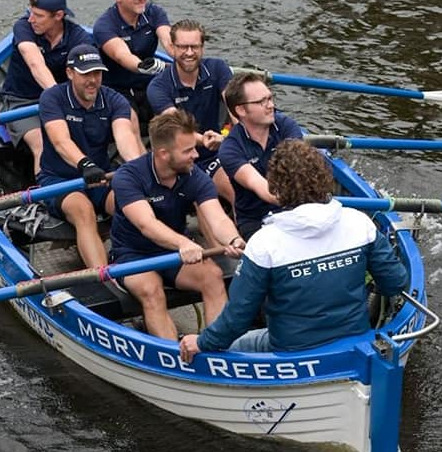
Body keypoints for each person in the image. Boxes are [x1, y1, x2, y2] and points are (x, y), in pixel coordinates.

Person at [179, 139, 408, 360]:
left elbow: (237, 318)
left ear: (276, 189)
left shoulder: (264, 243)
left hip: (290, 349)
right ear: (324, 179)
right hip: (355, 340)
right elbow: (396, 282)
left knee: (223, 347)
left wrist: (202, 343)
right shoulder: (360, 223)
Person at [109, 110, 245, 340]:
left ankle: (217, 350)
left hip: (173, 253)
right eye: (188, 150)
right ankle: (172, 357)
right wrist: (183, 243)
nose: (195, 154)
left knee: (213, 275)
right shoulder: (128, 177)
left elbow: (218, 218)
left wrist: (234, 239)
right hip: (133, 256)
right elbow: (147, 225)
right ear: (163, 153)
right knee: (152, 292)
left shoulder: (193, 174)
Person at [37, 44, 142, 269]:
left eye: (97, 73)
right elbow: (60, 141)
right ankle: (104, 277)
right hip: (60, 180)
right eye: (86, 74)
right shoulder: (52, 98)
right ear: (70, 73)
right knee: (84, 212)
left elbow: (124, 136)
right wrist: (85, 164)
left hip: (100, 177)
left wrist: (135, 166)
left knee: (132, 204)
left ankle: (141, 266)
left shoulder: (114, 100)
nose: (92, 80)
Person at [1, 0, 94, 174]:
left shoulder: (78, 37)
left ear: (58, 16)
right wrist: (57, 98)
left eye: (39, 16)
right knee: (42, 145)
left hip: (63, 100)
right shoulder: (23, 27)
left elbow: (85, 78)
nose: (31, 19)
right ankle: (46, 198)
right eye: (30, 12)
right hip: (23, 102)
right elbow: (36, 64)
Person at [146, 19, 234, 208]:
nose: (189, 53)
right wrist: (208, 140)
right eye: (183, 47)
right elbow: (177, 130)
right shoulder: (158, 87)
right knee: (233, 189)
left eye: (194, 47)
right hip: (180, 159)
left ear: (202, 47)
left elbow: (237, 108)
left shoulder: (218, 69)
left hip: (218, 149)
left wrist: (237, 137)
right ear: (172, 47)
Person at [218, 72, 303, 240]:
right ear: (241, 110)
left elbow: (298, 171)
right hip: (256, 219)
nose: (270, 105)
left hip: (295, 207)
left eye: (270, 98)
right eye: (261, 102)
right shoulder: (230, 149)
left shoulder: (286, 126)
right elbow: (263, 188)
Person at [93, 0, 172, 136]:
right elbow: (122, 56)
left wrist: (184, 59)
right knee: (131, 120)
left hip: (149, 83)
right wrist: (143, 66)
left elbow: (168, 41)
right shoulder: (104, 25)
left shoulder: (154, 12)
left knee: (173, 111)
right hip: (116, 88)